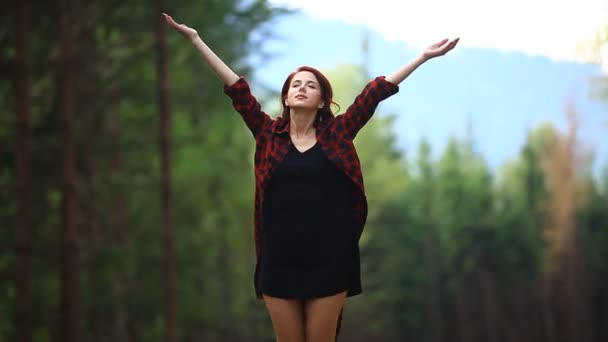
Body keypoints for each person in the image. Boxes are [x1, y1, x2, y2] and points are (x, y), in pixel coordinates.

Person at [163, 12, 458, 342]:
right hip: (279, 259)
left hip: (330, 258)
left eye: (311, 85)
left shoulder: (339, 134)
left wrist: (422, 57)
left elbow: (375, 92)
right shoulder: (267, 135)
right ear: (286, 98)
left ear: (321, 101)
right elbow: (237, 88)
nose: (301, 88)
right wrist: (195, 39)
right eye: (295, 85)